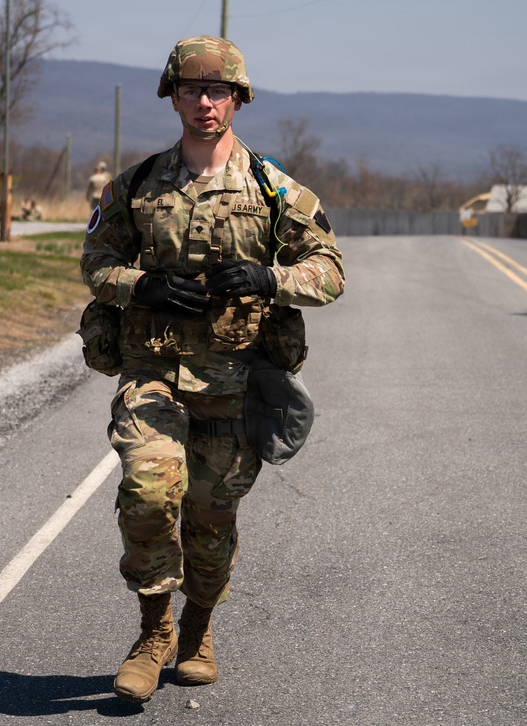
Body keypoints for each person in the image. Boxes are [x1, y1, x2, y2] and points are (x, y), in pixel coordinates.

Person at [80, 35, 344, 703]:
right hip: (153, 372)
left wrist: (269, 277)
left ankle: (197, 630)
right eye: (192, 89)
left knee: (210, 521)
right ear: (172, 96)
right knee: (148, 491)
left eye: (217, 90)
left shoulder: (273, 189)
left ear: (237, 99)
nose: (204, 101)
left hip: (234, 381)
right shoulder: (136, 186)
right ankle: (153, 633)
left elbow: (329, 273)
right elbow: (96, 264)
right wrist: (140, 285)